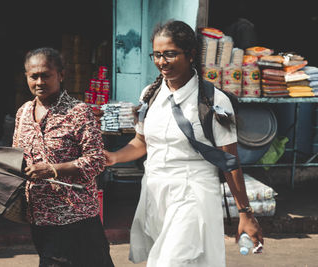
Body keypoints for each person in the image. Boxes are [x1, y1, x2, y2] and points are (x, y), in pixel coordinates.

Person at [103, 20, 263, 266]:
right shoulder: (150, 94)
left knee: (170, 262)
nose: (161, 61)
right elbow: (141, 143)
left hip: (193, 195)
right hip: (155, 194)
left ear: (190, 54)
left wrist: (246, 213)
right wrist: (113, 157)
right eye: (156, 55)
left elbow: (230, 162)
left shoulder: (214, 101)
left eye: (170, 54)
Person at [12, 47, 114, 267]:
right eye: (33, 76)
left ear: (61, 75)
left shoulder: (78, 112)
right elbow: (16, 156)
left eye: (46, 75)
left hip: (78, 217)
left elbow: (96, 160)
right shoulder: (23, 113)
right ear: (26, 77)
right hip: (40, 217)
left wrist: (53, 169)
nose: (39, 81)